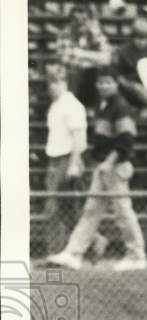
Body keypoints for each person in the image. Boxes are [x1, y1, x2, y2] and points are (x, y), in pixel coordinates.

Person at [47, 67, 147, 272]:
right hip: (102, 167)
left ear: (116, 84)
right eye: (100, 82)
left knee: (123, 212)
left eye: (108, 82)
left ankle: (136, 255)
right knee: (90, 211)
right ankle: (73, 254)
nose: (103, 86)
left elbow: (126, 140)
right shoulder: (105, 106)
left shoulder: (120, 106)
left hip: (115, 166)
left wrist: (109, 163)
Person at [41, 64, 88, 257]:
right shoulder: (55, 105)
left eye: (57, 82)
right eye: (50, 82)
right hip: (54, 158)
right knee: (65, 210)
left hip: (67, 158)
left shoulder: (72, 105)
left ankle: (56, 251)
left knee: (54, 208)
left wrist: (75, 163)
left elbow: (78, 137)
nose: (53, 86)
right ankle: (94, 241)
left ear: (65, 82)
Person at [54, 2, 112, 109]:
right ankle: (72, 109)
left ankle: (95, 110)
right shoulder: (65, 34)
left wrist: (82, 54)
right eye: (76, 20)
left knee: (101, 71)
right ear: (71, 20)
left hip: (91, 73)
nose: (81, 23)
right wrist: (93, 58)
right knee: (74, 72)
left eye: (84, 20)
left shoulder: (95, 33)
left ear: (89, 20)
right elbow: (65, 59)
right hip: (72, 75)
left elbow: (106, 58)